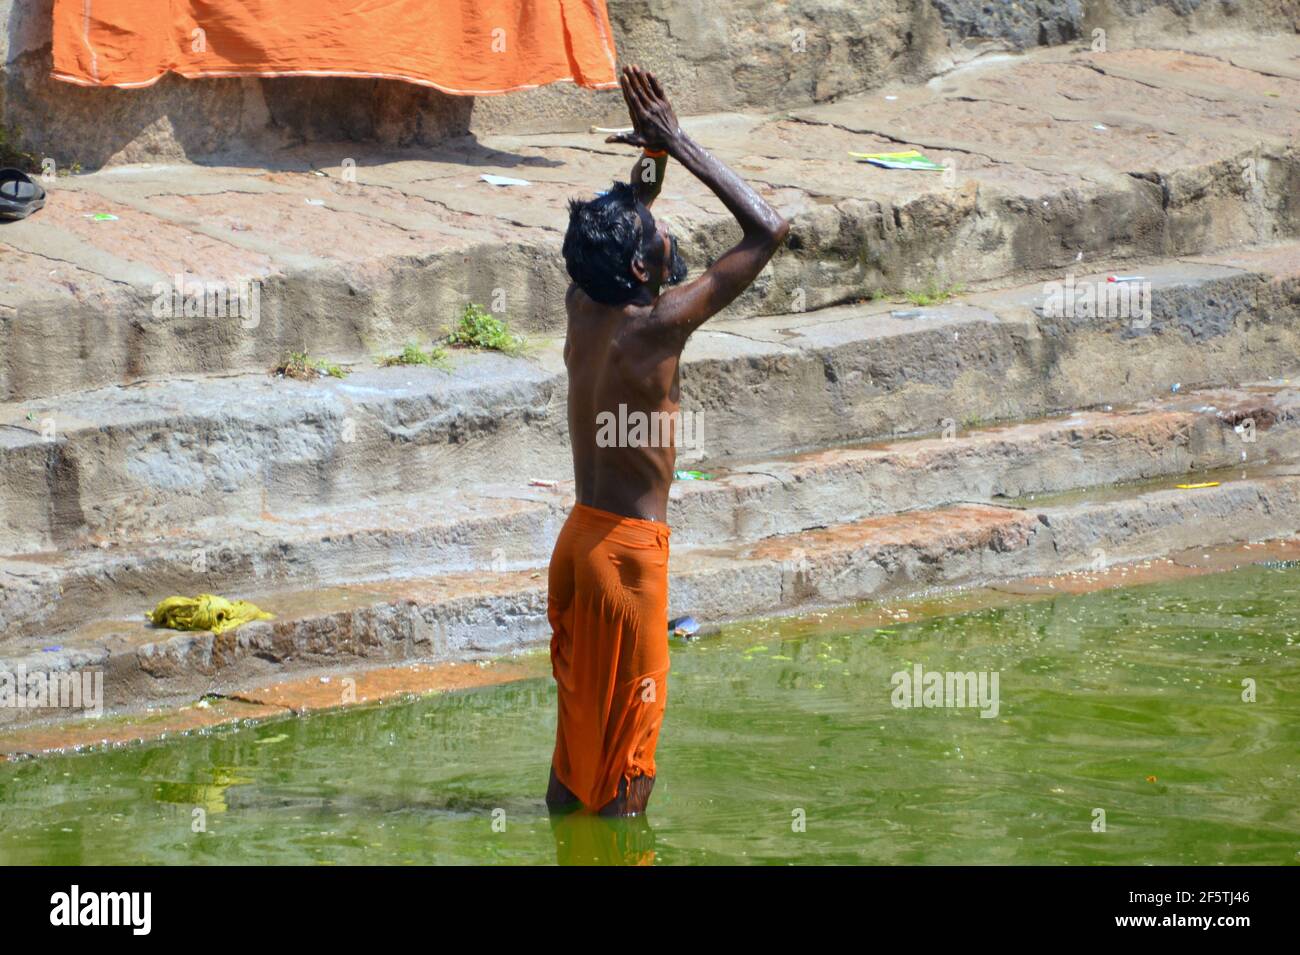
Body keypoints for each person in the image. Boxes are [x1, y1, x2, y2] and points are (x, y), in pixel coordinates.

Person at [546, 65, 789, 816]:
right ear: (643, 267)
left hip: (578, 544)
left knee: (580, 741)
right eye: (661, 237)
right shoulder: (658, 326)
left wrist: (649, 159)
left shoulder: (585, 303)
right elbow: (769, 228)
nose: (668, 231)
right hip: (628, 564)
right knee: (628, 766)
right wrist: (681, 142)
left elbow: (632, 212)